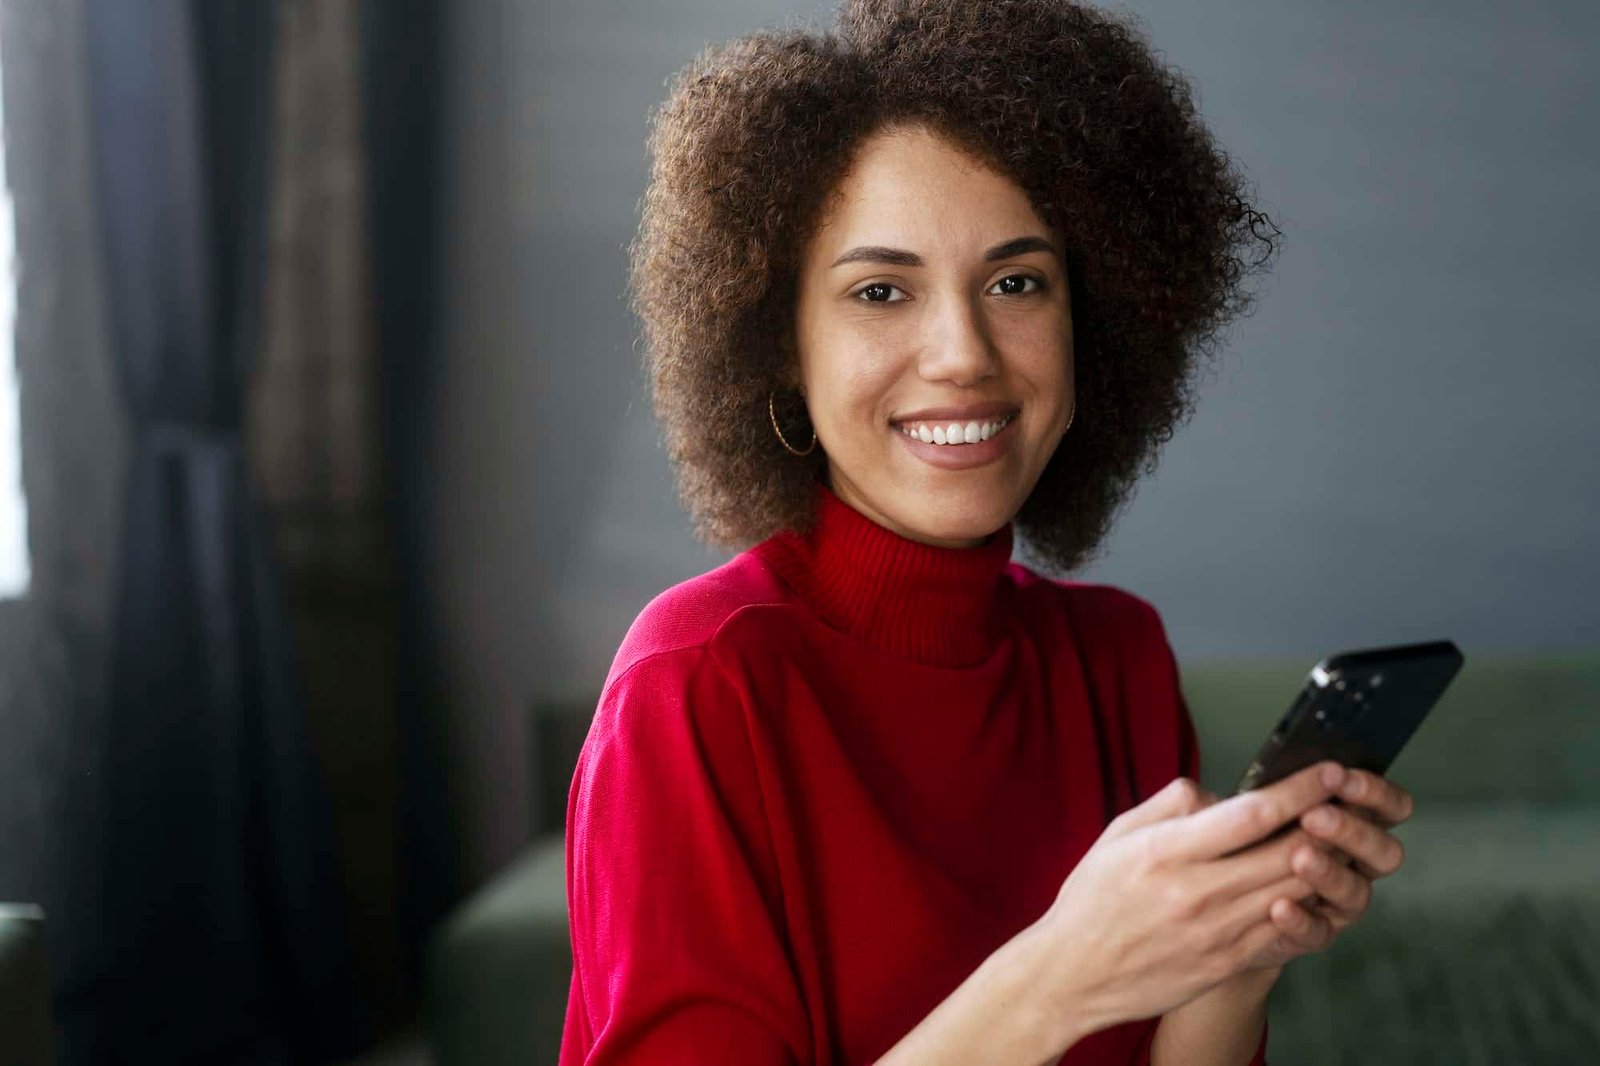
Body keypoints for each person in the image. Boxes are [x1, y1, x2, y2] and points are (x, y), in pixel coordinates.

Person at [559, 1, 1416, 1063]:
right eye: (881, 291)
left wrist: (1235, 954)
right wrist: (1066, 973)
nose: (963, 353)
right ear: (781, 344)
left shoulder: (1117, 660)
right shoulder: (697, 684)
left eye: (1016, 283)